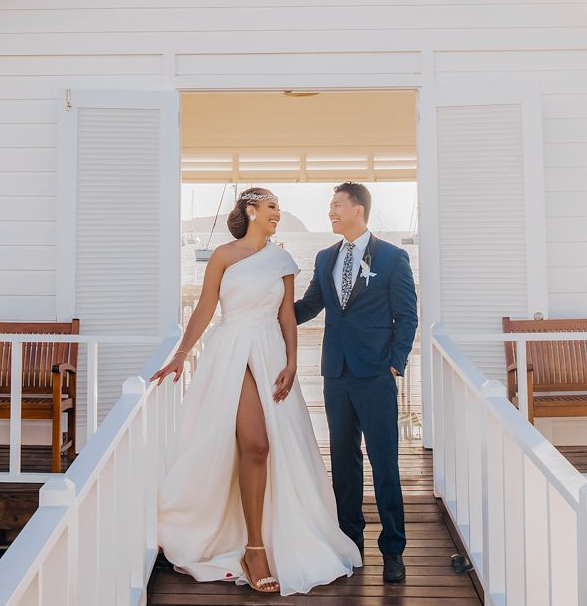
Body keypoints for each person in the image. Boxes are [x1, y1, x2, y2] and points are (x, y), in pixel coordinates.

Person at [151, 187, 360, 595]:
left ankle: (261, 542)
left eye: (279, 208)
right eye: (271, 207)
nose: (277, 214)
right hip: (231, 351)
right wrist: (181, 354)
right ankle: (254, 548)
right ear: (251, 211)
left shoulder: (282, 259)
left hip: (269, 354)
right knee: (256, 443)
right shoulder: (224, 256)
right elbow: (206, 307)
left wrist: (293, 362)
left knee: (269, 447)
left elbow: (286, 315)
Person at [293, 182, 418, 585]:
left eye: (336, 205)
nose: (330, 211)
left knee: (385, 465)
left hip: (376, 376)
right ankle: (351, 544)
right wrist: (269, 307)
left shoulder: (393, 258)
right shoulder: (325, 257)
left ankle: (394, 550)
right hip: (337, 374)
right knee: (344, 465)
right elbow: (310, 306)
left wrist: (395, 366)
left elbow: (408, 318)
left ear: (358, 210)